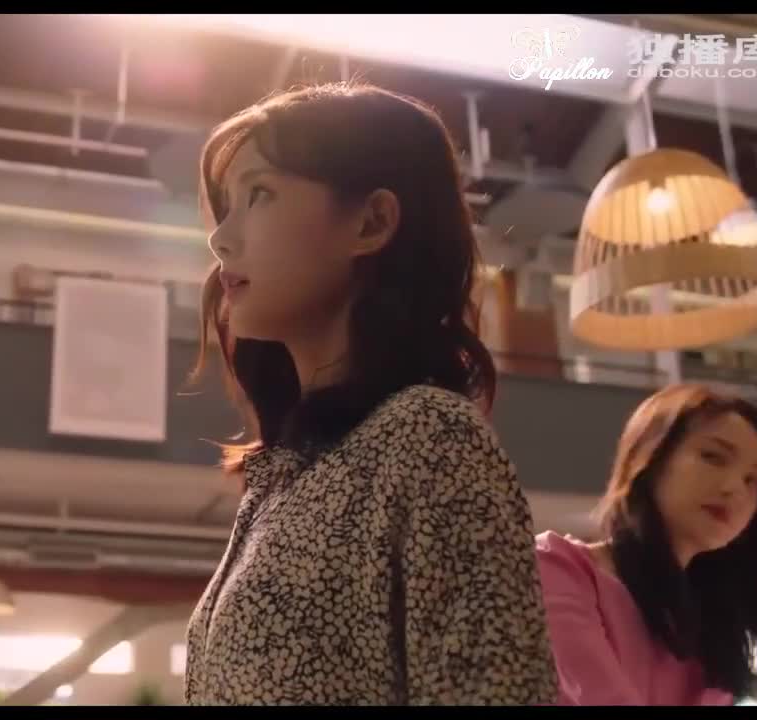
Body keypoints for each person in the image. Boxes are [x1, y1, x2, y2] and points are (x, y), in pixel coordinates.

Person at [182, 81, 557, 705]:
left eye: (259, 194)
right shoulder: (285, 475)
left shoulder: (429, 437)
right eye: (226, 207)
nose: (220, 238)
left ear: (372, 222)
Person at [537, 383, 757, 705]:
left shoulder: (712, 631)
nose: (733, 488)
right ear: (648, 457)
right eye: (713, 457)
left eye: (752, 480)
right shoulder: (557, 566)